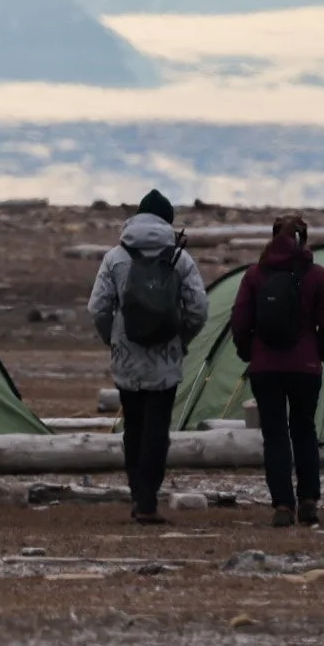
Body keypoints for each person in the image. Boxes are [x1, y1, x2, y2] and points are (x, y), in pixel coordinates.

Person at [87, 188, 210, 524]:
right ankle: (148, 500)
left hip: (125, 357)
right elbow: (198, 309)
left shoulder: (115, 257)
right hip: (166, 358)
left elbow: (98, 307)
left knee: (134, 426)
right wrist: (181, 340)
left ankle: (137, 491)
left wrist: (111, 339)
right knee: (158, 429)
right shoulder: (179, 258)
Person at [229, 213, 324, 528]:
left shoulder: (254, 275)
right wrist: (320, 352)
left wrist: (249, 352)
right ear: (304, 240)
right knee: (304, 430)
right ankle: (308, 500)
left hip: (265, 367)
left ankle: (282, 504)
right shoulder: (316, 275)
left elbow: (239, 321)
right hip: (305, 366)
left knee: (275, 435)